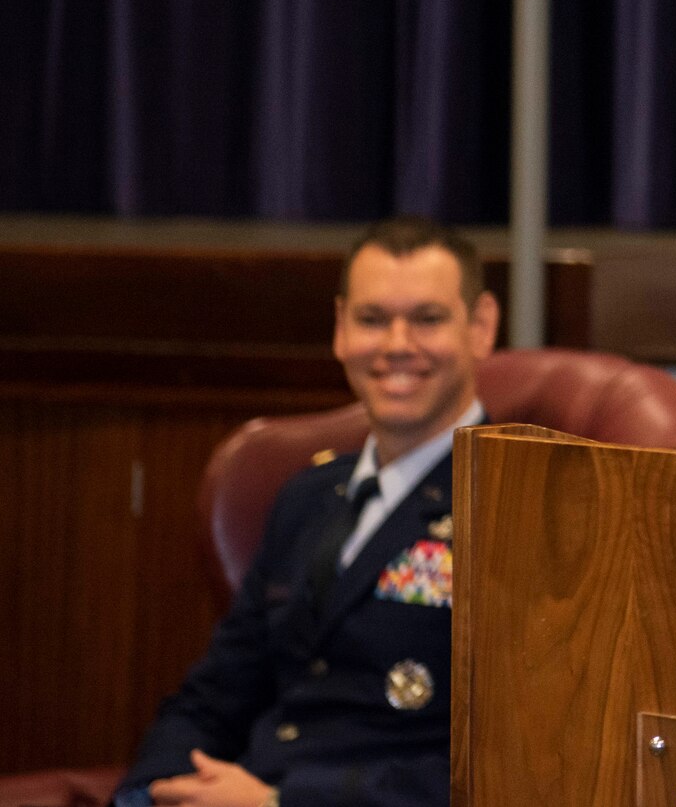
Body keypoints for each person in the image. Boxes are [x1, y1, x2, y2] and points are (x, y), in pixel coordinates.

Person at [116, 216, 497, 807]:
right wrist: (149, 793)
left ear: (481, 326)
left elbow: (507, 760)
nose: (397, 345)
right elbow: (216, 696)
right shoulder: (307, 497)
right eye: (372, 320)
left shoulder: (518, 507)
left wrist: (281, 803)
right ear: (341, 328)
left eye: (427, 319)